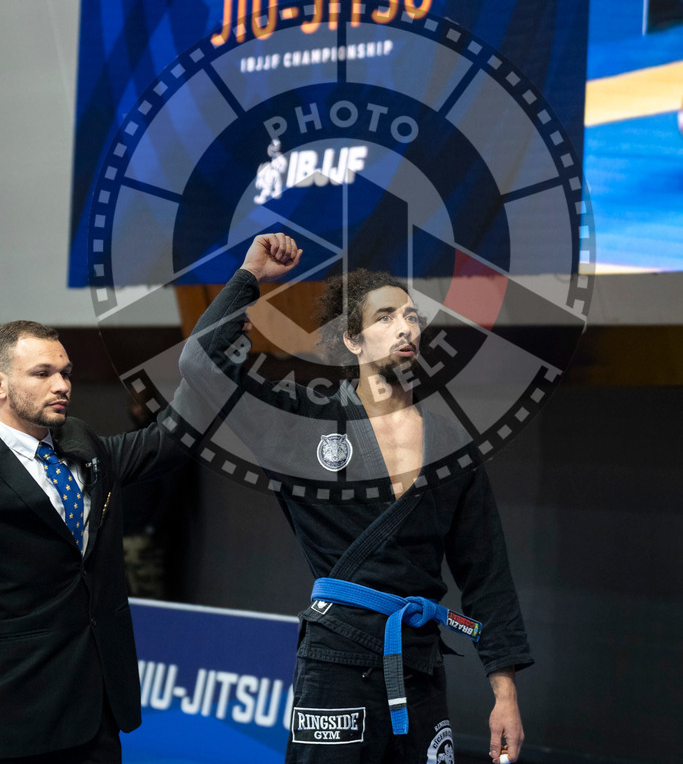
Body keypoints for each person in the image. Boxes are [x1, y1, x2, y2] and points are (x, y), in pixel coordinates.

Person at [174, 232, 533, 764]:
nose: (405, 327)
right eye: (385, 317)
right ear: (352, 340)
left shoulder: (452, 443)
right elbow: (200, 366)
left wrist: (504, 692)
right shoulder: (299, 421)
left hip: (419, 661)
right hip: (336, 663)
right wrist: (249, 276)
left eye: (412, 316)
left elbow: (487, 571)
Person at [0, 320, 188, 763]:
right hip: (16, 714)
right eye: (42, 373)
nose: (62, 385)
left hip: (98, 710)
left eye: (65, 373)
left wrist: (241, 294)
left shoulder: (87, 449)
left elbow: (174, 437)